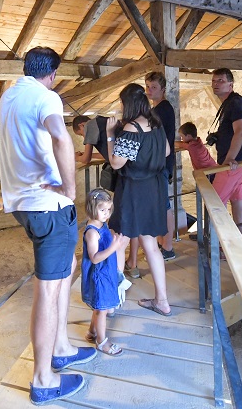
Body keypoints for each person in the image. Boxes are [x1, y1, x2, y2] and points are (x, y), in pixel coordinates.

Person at [0, 46, 94, 405]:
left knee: (65, 270)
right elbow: (61, 137)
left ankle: (63, 348)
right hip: (48, 206)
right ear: (51, 73)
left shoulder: (8, 98)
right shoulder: (47, 97)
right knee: (48, 291)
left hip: (23, 203)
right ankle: (44, 380)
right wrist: (69, 188)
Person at [106, 83, 172, 317]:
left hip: (133, 190)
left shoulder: (133, 129)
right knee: (151, 245)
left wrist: (111, 135)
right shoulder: (156, 124)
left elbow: (116, 163)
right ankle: (162, 301)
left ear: (127, 104)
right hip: (154, 189)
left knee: (118, 243)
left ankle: (111, 302)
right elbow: (165, 152)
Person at [81, 188, 130, 356]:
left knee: (99, 306)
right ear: (92, 208)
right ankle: (102, 342)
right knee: (102, 309)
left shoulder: (102, 225)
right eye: (103, 210)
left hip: (106, 272)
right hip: (99, 275)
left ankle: (92, 332)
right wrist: (114, 247)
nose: (107, 214)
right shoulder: (92, 232)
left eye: (109, 210)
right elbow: (94, 257)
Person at [209, 68, 242, 239]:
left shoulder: (234, 102)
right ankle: (241, 242)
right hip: (237, 161)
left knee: (216, 205)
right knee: (237, 200)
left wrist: (229, 159)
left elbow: (240, 131)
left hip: (233, 162)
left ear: (230, 84)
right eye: (214, 81)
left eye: (220, 81)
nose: (215, 84)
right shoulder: (230, 102)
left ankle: (224, 246)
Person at [145, 71, 177, 262]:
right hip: (158, 163)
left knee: (164, 205)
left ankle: (168, 247)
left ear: (163, 90)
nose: (149, 90)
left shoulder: (162, 110)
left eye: (154, 87)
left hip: (160, 164)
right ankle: (161, 242)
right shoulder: (157, 109)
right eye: (148, 87)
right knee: (160, 204)